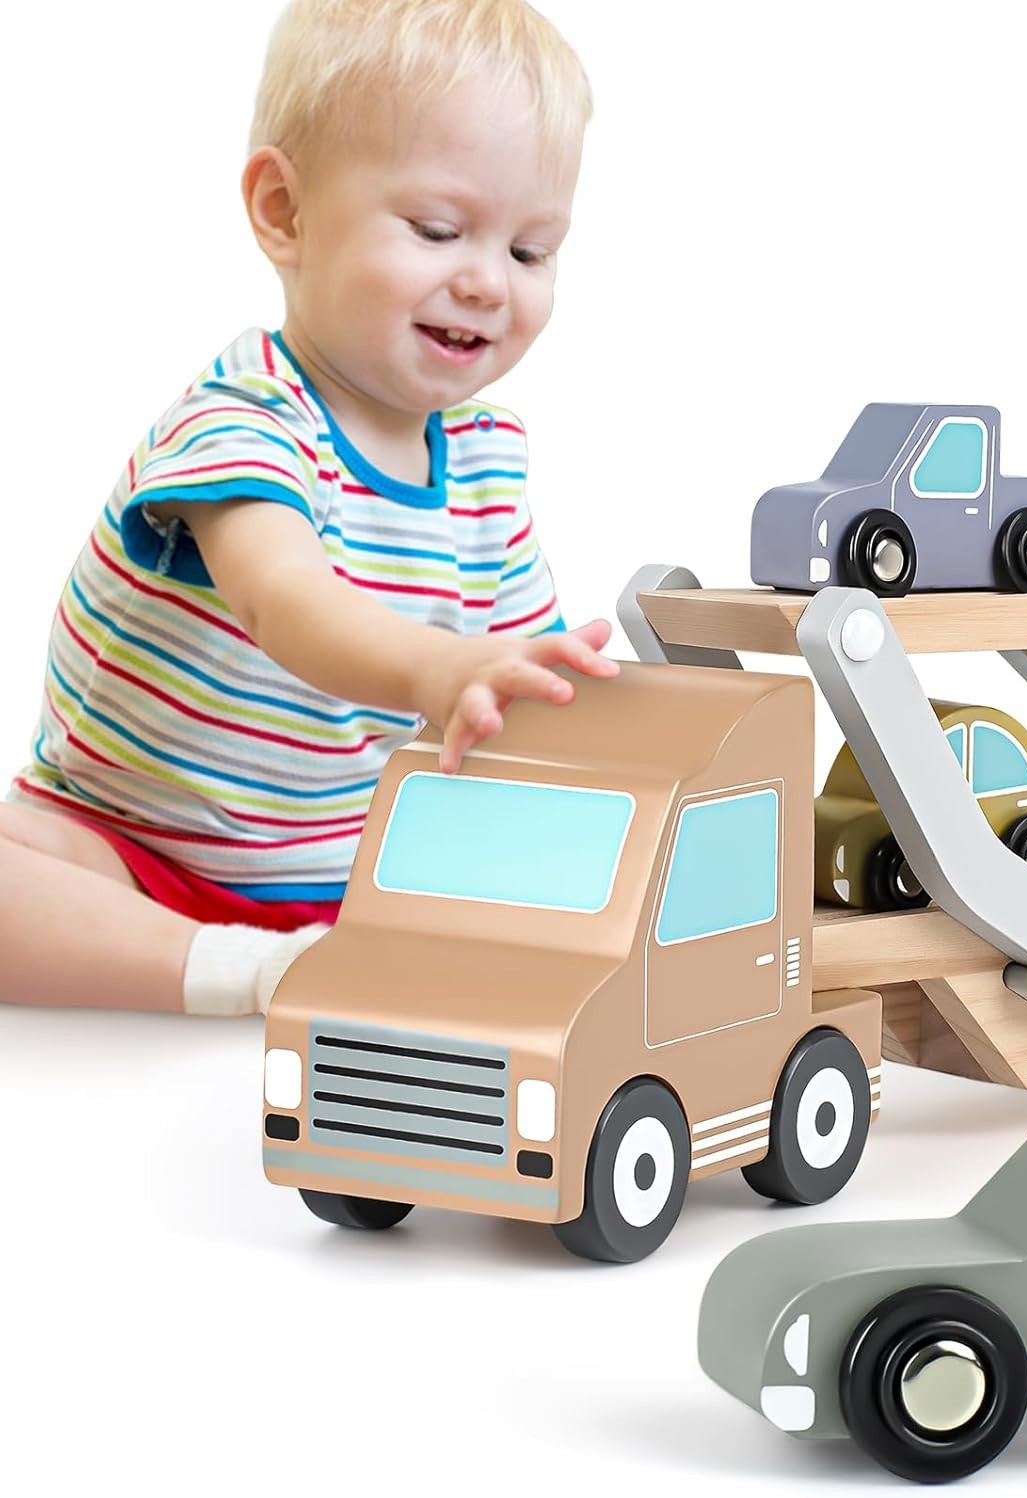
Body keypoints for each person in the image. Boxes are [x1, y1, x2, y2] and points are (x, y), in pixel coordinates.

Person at [0, 0, 616, 1017]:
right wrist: (438, 666)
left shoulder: (488, 463)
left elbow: (514, 692)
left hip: (355, 882)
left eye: (530, 252)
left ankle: (319, 959)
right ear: (285, 211)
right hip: (123, 851)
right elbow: (283, 599)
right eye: (438, 231)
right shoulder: (241, 419)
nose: (486, 283)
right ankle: (223, 967)